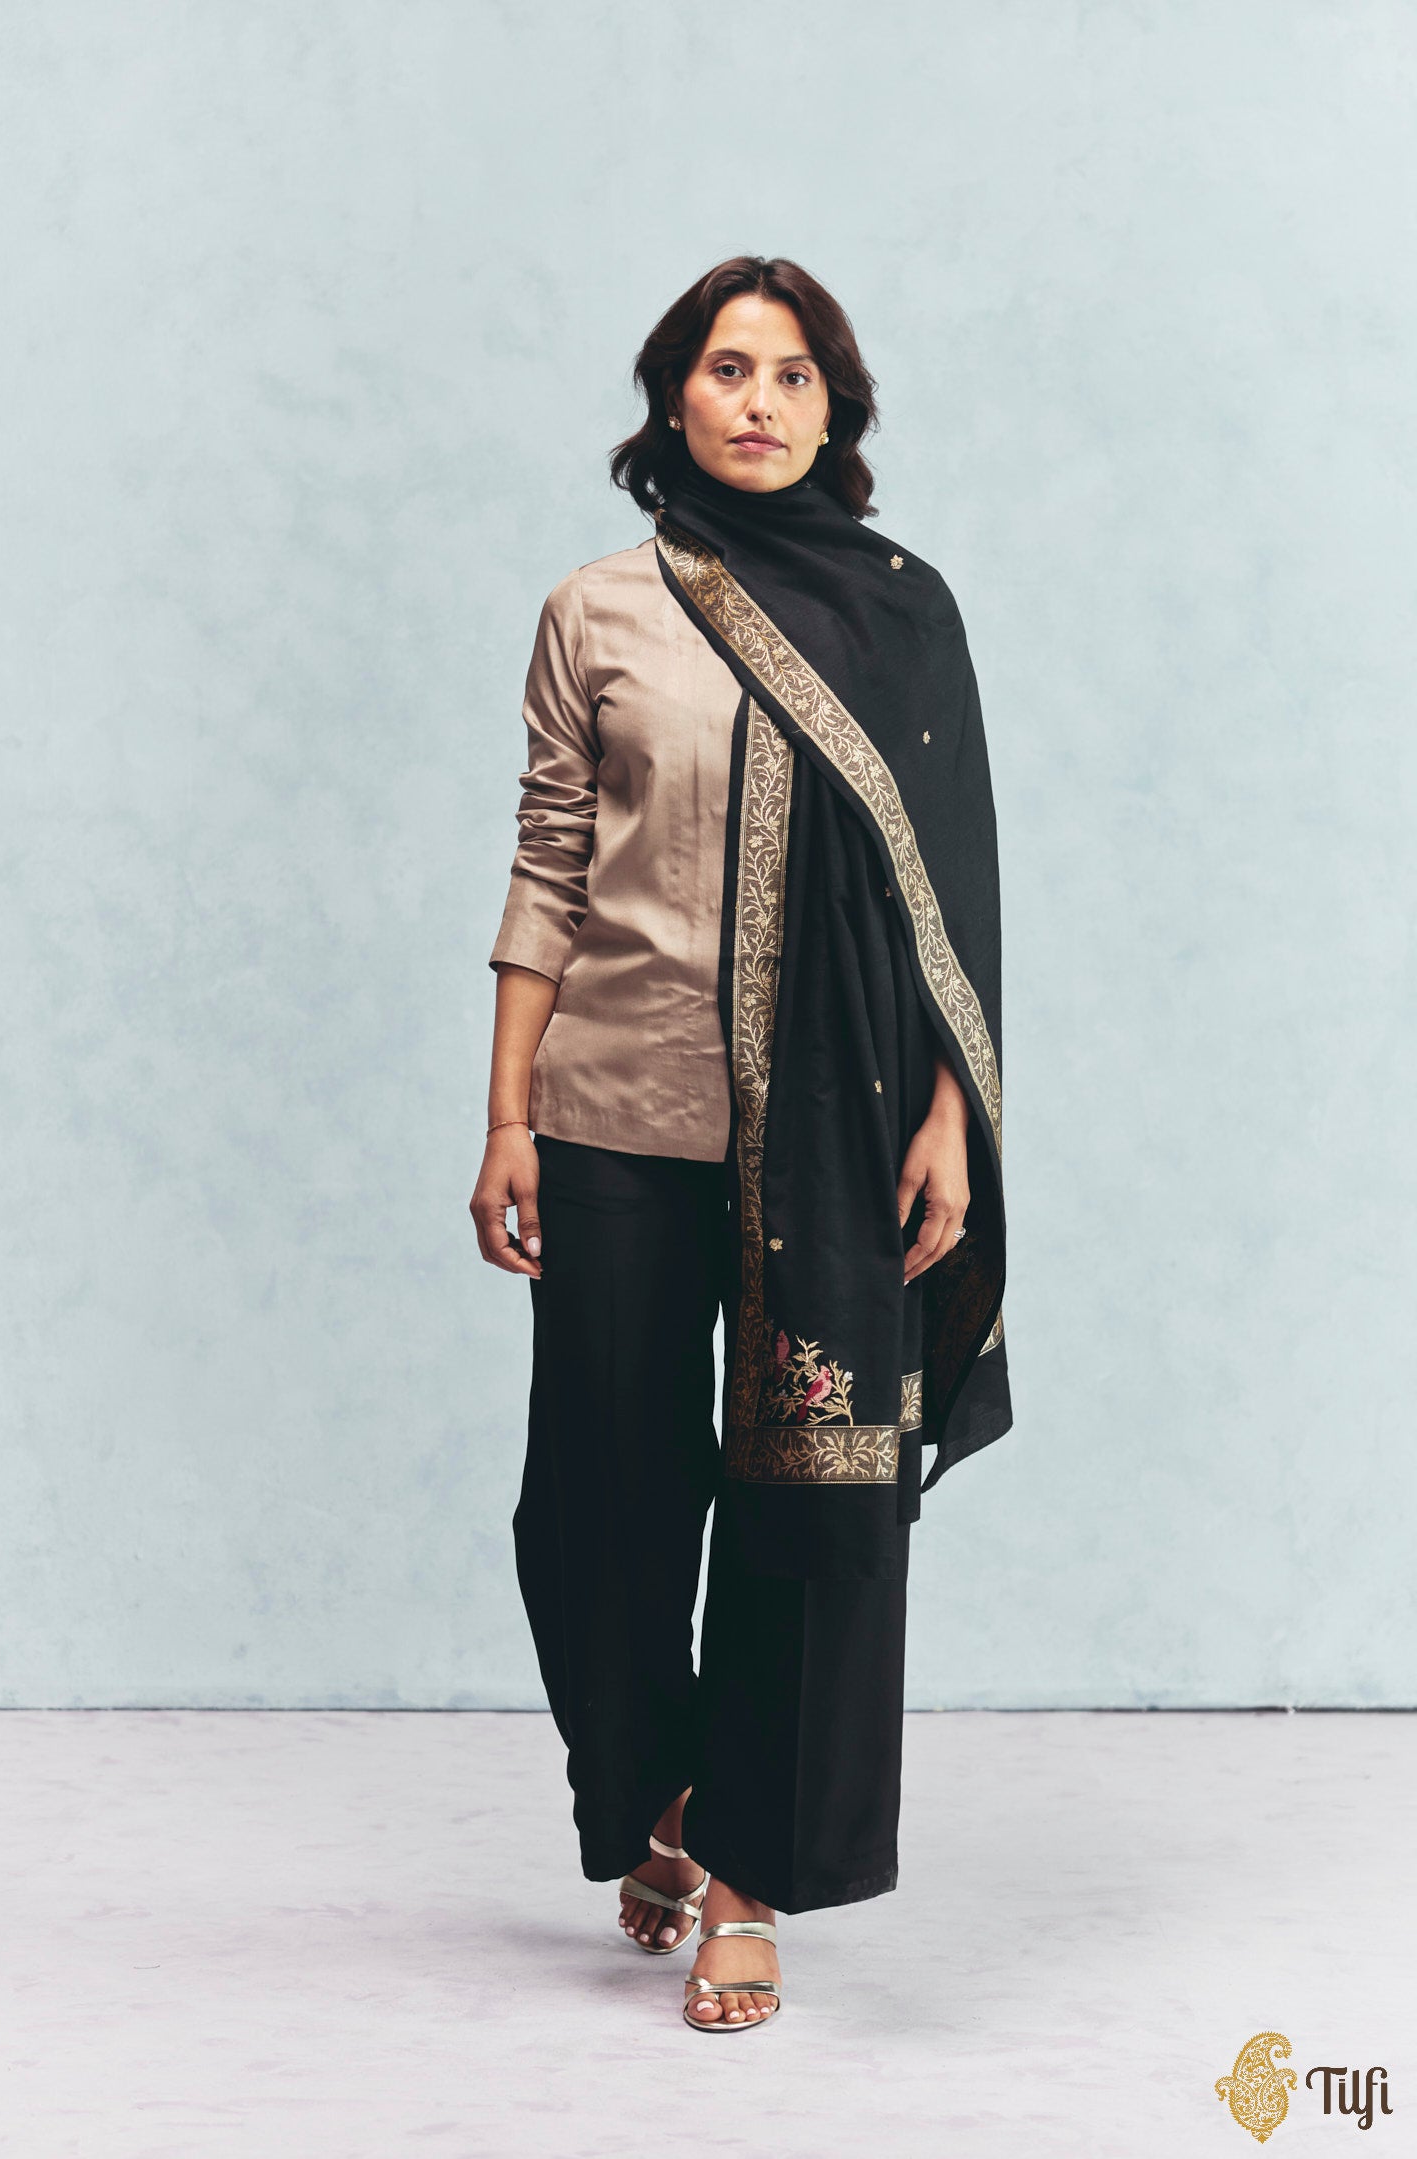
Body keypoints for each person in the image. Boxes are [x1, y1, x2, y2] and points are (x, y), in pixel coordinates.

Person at [471, 255, 1011, 2032]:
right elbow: (550, 864)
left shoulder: (902, 618)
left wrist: (951, 1113)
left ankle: (750, 1878)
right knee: (600, 1504)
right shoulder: (598, 610)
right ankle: (668, 1798)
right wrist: (507, 1114)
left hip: (840, 1137)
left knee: (810, 1508)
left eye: (793, 373)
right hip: (613, 1119)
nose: (760, 401)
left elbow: (952, 892)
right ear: (673, 399)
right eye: (726, 368)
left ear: (835, 408)